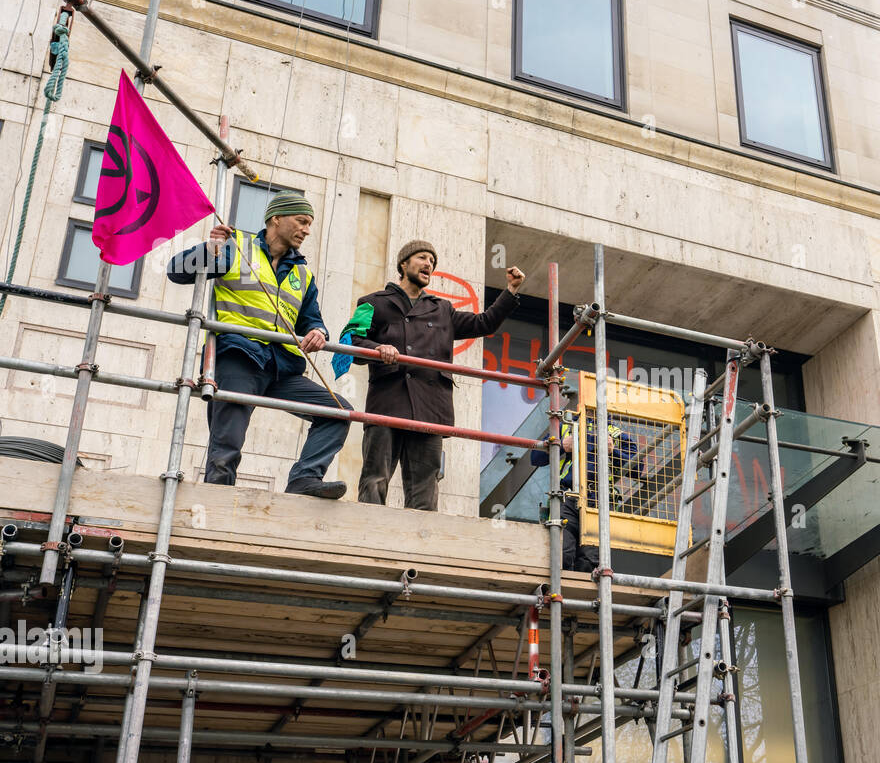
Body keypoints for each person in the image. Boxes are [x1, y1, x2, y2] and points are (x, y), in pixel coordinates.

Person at [167, 192, 351, 499]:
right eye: (301, 221)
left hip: (282, 367)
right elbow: (177, 270)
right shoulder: (235, 247)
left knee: (340, 412)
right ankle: (218, 505)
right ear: (276, 219)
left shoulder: (302, 273)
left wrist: (319, 331)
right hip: (239, 358)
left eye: (310, 224)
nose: (306, 230)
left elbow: (310, 319)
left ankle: (305, 479)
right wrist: (209, 249)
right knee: (227, 445)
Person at [339, 240, 525, 510]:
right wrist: (378, 348)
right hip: (388, 403)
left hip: (429, 407)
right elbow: (350, 341)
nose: (429, 264)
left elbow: (484, 323)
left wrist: (511, 291)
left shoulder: (442, 310)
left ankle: (419, 547)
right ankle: (369, 541)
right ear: (404, 264)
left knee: (425, 489)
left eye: (432, 262)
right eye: (423, 258)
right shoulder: (373, 303)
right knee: (375, 480)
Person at [530, 406, 642, 572]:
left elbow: (638, 468)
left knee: (590, 560)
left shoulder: (615, 433)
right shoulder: (567, 427)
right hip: (566, 497)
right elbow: (535, 458)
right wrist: (560, 445)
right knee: (562, 552)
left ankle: (578, 594)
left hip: (598, 502)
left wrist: (613, 451)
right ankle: (560, 591)